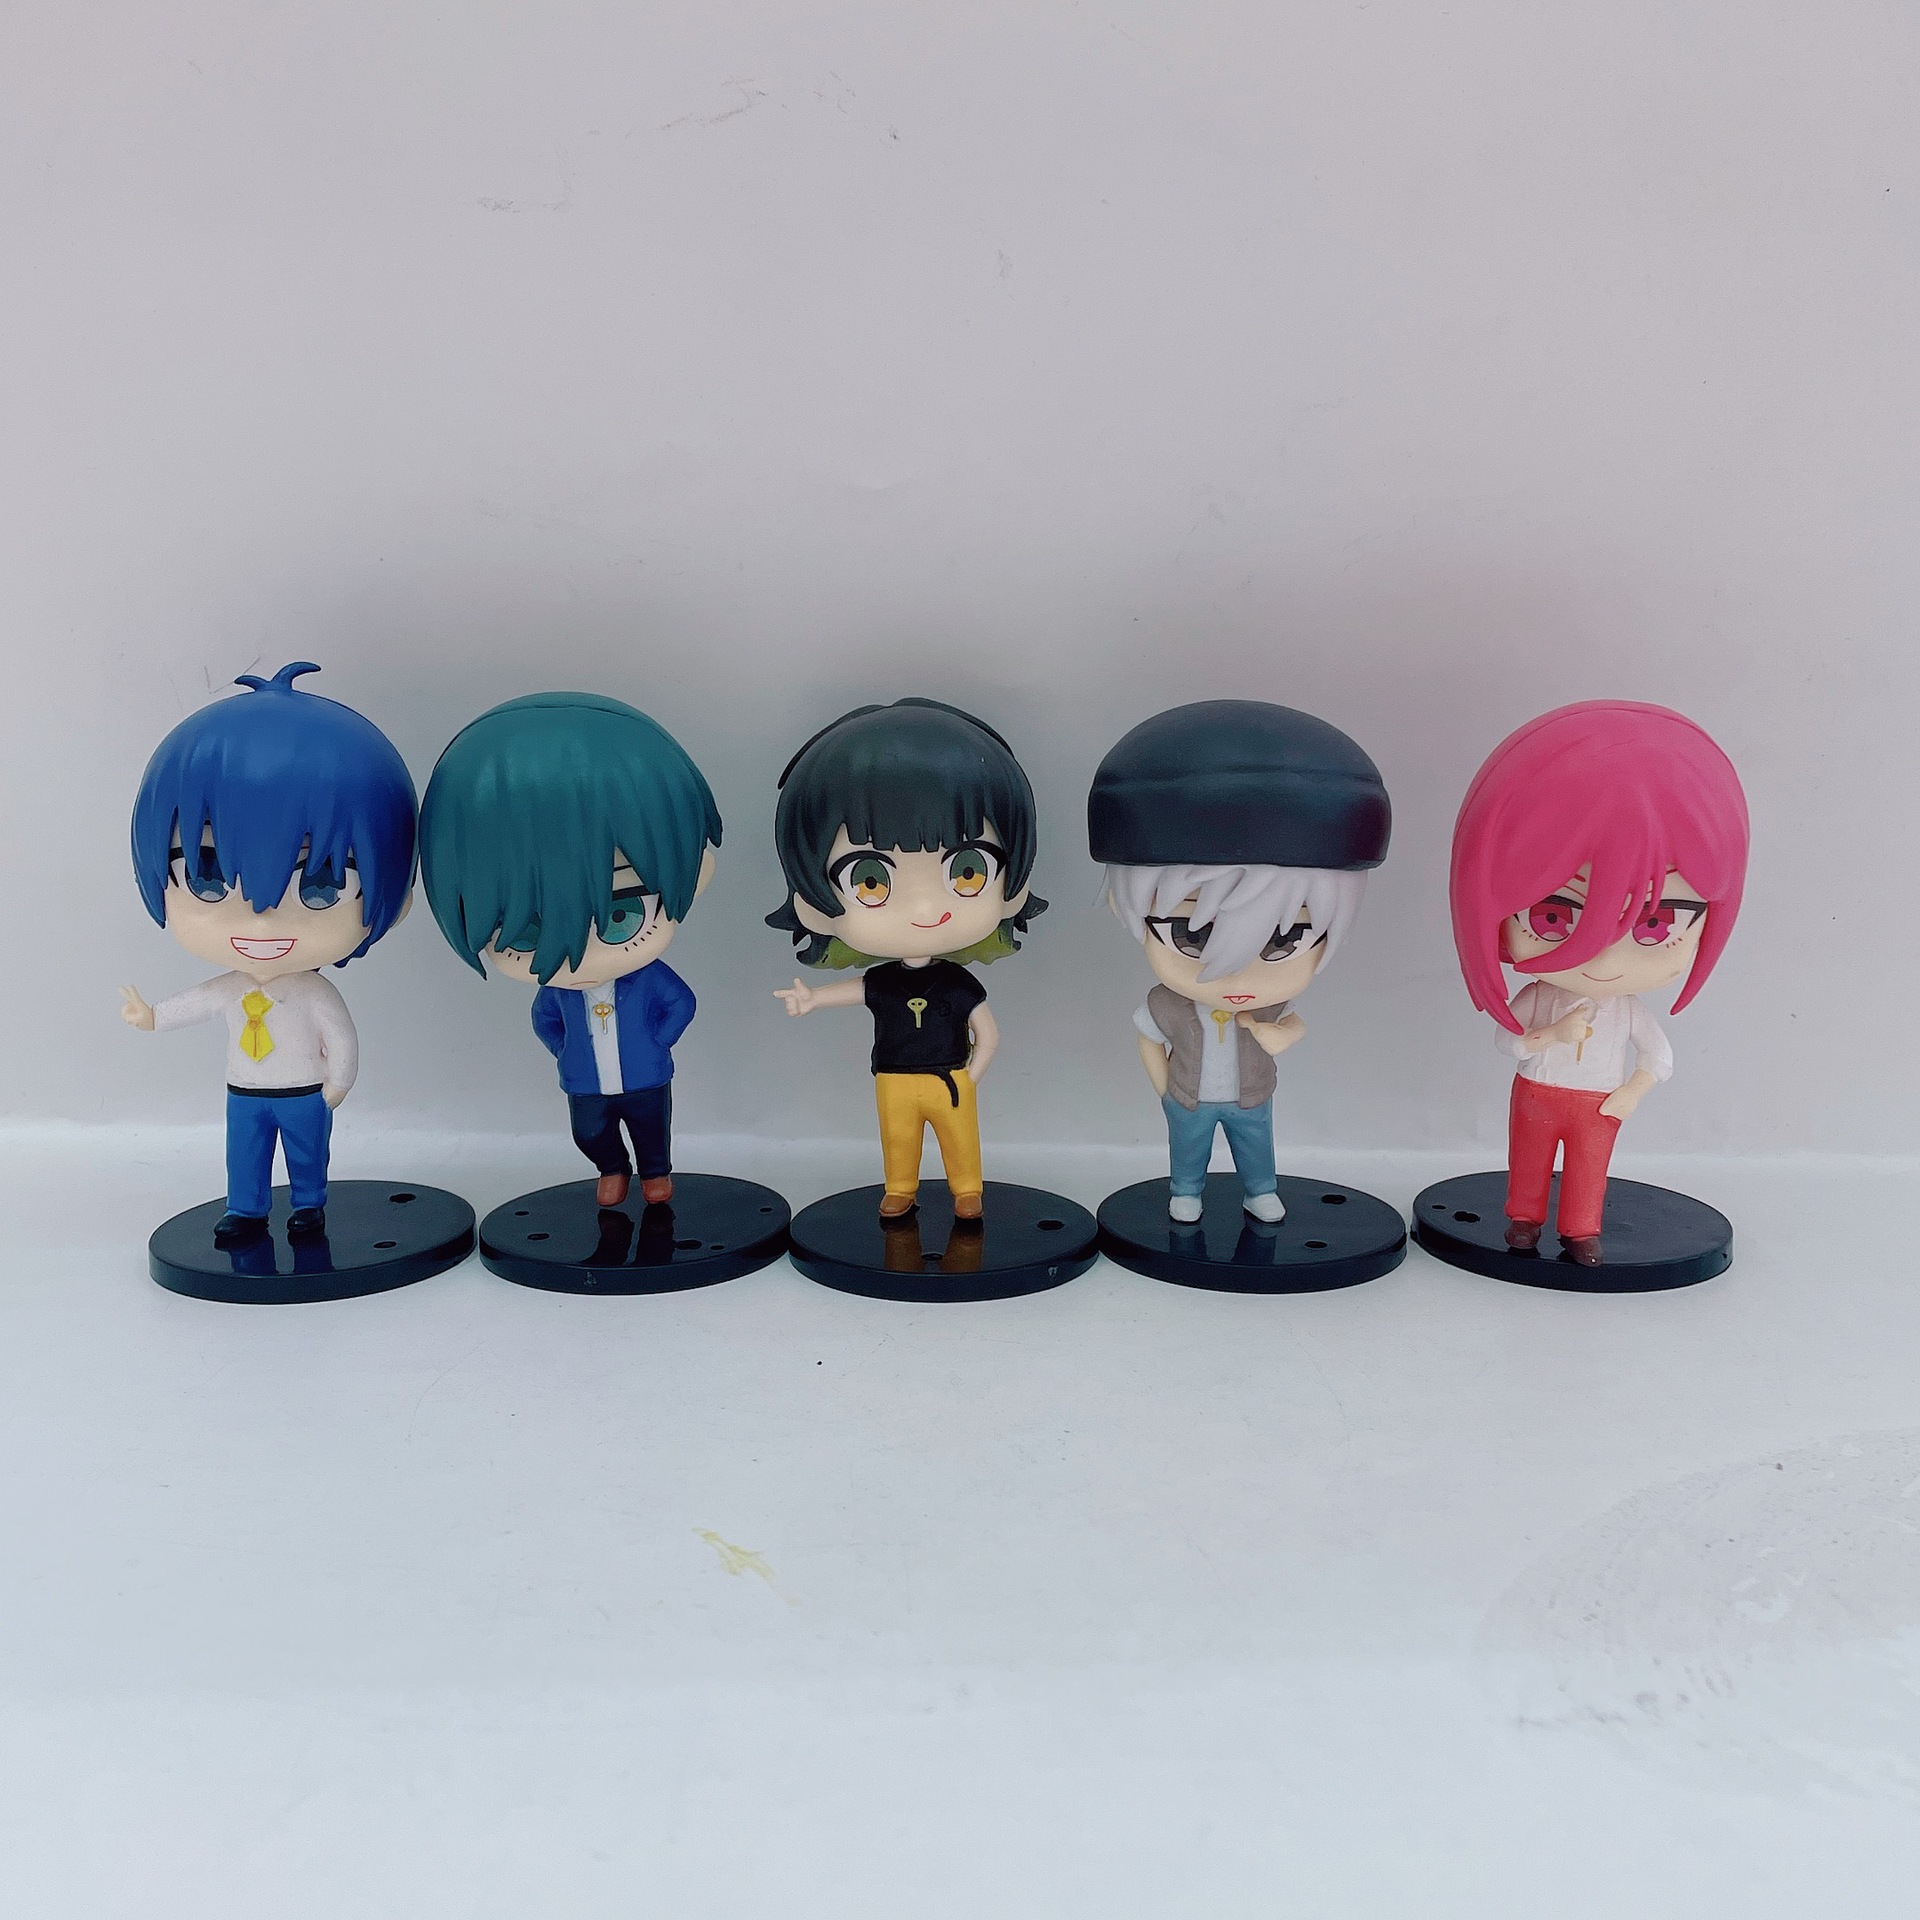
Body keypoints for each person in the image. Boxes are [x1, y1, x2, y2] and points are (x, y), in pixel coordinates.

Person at [122, 663, 417, 1246]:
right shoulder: (231, 989)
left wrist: (336, 1086)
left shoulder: (313, 993)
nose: (260, 918)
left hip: (304, 1092)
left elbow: (340, 1037)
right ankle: (246, 1209)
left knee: (307, 1154)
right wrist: (152, 1016)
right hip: (245, 1093)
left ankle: (308, 1206)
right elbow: (198, 1003)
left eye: (320, 884)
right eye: (207, 878)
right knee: (245, 1154)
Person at [1448, 700, 1749, 1264]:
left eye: (1655, 925)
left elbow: (1657, 1056)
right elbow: (1509, 1041)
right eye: (1553, 917)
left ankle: (1581, 1229)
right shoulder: (1540, 997)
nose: (1604, 957)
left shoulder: (1626, 1012)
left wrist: (1631, 1092)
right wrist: (1547, 1038)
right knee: (1528, 1159)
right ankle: (1523, 1219)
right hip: (1537, 1092)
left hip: (1599, 1101)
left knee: (1590, 1167)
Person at [1089, 700, 1391, 1224]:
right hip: (1189, 1099)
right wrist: (1165, 1088)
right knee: (1188, 1149)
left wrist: (1276, 1036)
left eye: (1287, 940)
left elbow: (1291, 1027)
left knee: (1256, 1144)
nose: (1239, 973)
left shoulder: (1271, 1006)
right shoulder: (1166, 1004)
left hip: (1251, 1098)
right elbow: (1147, 1039)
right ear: (1125, 910)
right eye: (1189, 934)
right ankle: (1186, 1192)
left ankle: (1260, 1191)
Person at [419, 692, 721, 1209]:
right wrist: (564, 1051)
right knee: (589, 1131)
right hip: (583, 1079)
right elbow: (545, 1021)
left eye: (621, 916)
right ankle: (611, 1168)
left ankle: (655, 1174)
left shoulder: (648, 978)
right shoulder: (557, 992)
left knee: (652, 1129)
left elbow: (682, 1003)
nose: (578, 954)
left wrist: (658, 1041)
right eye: (527, 932)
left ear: (695, 876)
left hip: (646, 1074)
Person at [768, 698, 1046, 1221]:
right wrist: (813, 999)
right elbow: (857, 992)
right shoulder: (883, 981)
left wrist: (971, 1075)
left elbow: (988, 1032)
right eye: (870, 880)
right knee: (897, 1138)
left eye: (967, 870)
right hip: (894, 1078)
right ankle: (899, 1188)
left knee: (960, 1137)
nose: (923, 911)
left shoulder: (959, 983)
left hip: (949, 1077)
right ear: (812, 899)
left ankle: (967, 1189)